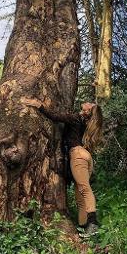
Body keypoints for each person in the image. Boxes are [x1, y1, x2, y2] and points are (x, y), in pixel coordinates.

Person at [21, 97, 103, 237]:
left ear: (87, 110)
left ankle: (93, 223)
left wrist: (38, 105)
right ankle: (83, 227)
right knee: (79, 195)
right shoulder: (84, 122)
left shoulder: (76, 118)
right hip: (85, 156)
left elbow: (55, 116)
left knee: (84, 188)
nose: (88, 102)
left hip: (77, 155)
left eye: (90, 104)